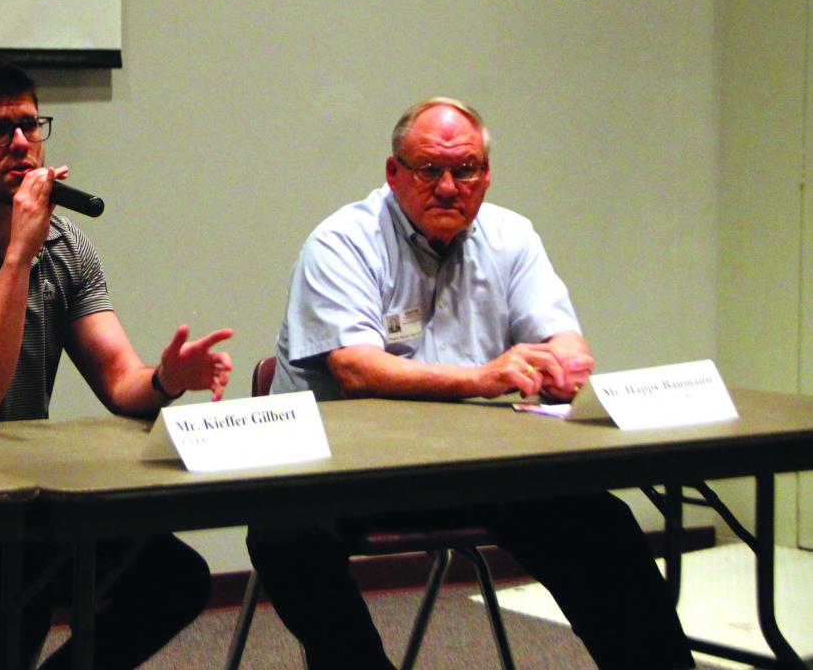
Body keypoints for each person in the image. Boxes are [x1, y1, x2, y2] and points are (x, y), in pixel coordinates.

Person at [246, 98, 693, 670]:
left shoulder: (511, 236)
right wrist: (482, 379)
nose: (450, 186)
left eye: (468, 170)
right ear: (393, 173)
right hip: (344, 472)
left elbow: (562, 336)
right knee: (283, 537)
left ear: (487, 174)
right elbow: (356, 369)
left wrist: (565, 363)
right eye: (430, 169)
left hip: (473, 468)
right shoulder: (342, 241)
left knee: (597, 521)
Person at [0, 58, 234, 670]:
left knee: (176, 577)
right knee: (21, 578)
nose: (21, 144)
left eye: (31, 127)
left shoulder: (67, 246)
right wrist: (19, 252)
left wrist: (167, 380)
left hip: (20, 502)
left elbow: (120, 380)